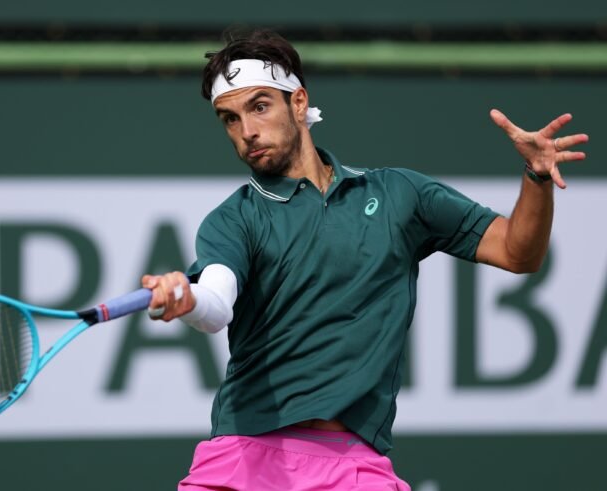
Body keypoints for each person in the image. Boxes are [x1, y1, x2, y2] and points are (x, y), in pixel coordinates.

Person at [141, 30, 589, 491]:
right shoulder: (233, 219)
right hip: (243, 459)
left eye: (259, 107)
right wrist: (188, 298)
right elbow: (216, 303)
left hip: (353, 467)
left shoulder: (399, 195)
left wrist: (537, 177)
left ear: (299, 103)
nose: (246, 131)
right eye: (230, 119)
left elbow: (518, 253)